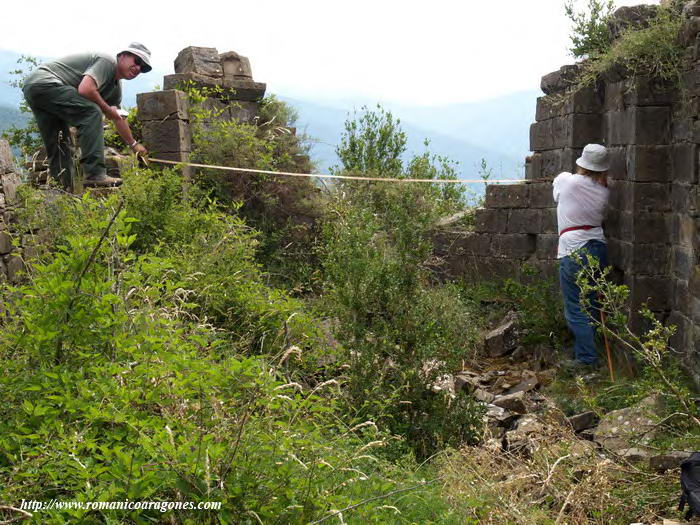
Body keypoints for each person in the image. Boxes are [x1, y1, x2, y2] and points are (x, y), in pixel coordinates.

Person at [22, 43, 152, 188]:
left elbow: (118, 118)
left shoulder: (115, 89)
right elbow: (86, 89)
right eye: (137, 61)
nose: (139, 68)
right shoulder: (108, 62)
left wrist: (134, 145)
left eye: (144, 68)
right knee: (92, 113)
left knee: (60, 143)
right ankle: (95, 174)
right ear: (123, 55)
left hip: (33, 87)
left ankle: (61, 192)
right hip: (46, 83)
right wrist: (107, 110)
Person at [553, 143, 611, 372]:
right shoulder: (606, 192)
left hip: (573, 248)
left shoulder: (567, 180)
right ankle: (593, 353)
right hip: (598, 246)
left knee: (576, 307)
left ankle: (587, 360)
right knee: (594, 303)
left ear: (582, 163)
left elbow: (557, 190)